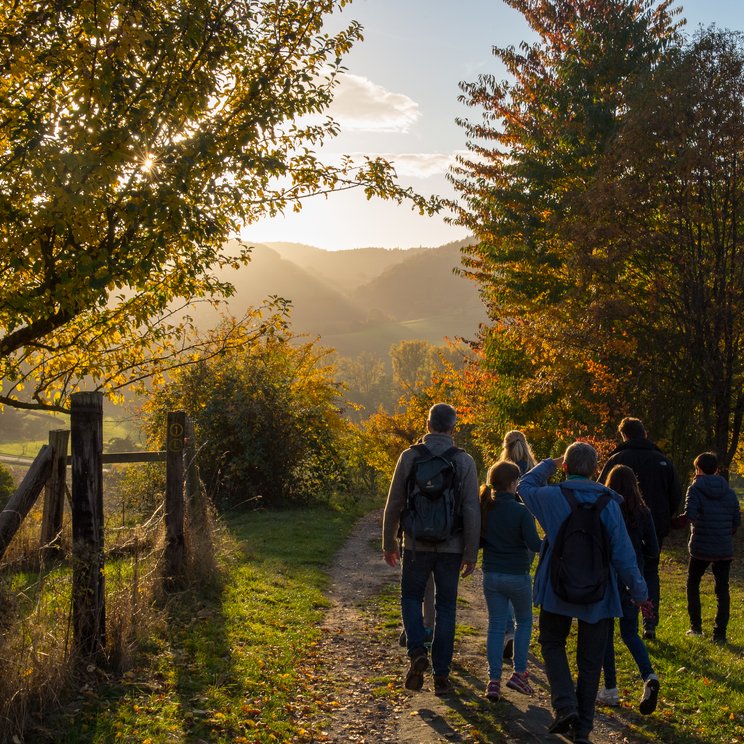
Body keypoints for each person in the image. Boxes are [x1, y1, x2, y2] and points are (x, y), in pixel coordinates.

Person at [519, 442, 651, 744]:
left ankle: (565, 705)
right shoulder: (610, 504)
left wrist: (550, 463)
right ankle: (582, 729)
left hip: (557, 587)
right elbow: (624, 556)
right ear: (595, 469)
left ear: (566, 467)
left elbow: (524, 485)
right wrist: (640, 594)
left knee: (552, 643)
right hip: (600, 593)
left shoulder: (550, 497)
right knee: (590, 661)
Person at [382, 403, 480, 696]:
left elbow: (395, 502)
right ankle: (441, 675)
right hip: (451, 546)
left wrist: (389, 542)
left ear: (427, 425)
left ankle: (416, 652)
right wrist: (471, 552)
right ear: (453, 428)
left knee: (411, 597)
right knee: (446, 607)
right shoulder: (464, 461)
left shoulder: (410, 456)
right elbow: (472, 509)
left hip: (415, 545)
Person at [598, 417, 682, 639]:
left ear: (624, 435)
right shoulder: (662, 461)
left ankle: (617, 616)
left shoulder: (617, 459)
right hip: (653, 525)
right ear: (644, 433)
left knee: (617, 569)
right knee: (650, 571)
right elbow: (675, 495)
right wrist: (664, 518)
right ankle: (649, 620)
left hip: (619, 525)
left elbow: (600, 491)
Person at [597, 465, 660, 715]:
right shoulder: (643, 512)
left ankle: (610, 688)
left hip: (607, 576)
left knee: (606, 635)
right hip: (632, 578)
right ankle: (648, 674)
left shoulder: (605, 507)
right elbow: (653, 548)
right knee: (630, 633)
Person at [480, 461, 542, 701]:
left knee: (496, 625)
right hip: (517, 574)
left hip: (491, 575)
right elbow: (534, 546)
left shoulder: (486, 508)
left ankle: (493, 680)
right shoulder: (521, 511)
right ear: (514, 483)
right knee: (524, 622)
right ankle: (519, 673)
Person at [673, 452, 740, 643]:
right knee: (722, 589)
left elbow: (689, 517)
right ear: (717, 469)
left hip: (701, 546)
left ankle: (696, 627)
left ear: (698, 469)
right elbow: (736, 522)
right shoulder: (729, 491)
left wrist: (668, 524)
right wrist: (724, 535)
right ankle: (720, 634)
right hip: (723, 547)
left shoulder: (695, 489)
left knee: (693, 583)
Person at [495, 430, 538, 661]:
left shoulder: (502, 468)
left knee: (504, 584)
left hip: (505, 532)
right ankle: (520, 635)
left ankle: (508, 632)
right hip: (527, 529)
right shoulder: (533, 469)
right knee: (520, 580)